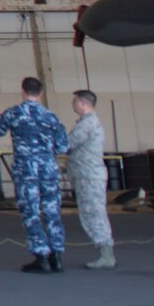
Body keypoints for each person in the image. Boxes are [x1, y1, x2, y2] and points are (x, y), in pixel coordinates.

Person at [0, 76, 69, 271]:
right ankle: (57, 256)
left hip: (26, 171)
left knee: (30, 212)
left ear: (23, 91)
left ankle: (41, 256)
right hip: (48, 170)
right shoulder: (51, 116)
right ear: (40, 93)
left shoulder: (14, 113)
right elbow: (63, 146)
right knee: (52, 211)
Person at [63, 90, 116, 270]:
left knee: (94, 214)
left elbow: (67, 144)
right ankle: (105, 252)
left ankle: (106, 255)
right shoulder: (88, 122)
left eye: (75, 101)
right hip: (86, 174)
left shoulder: (87, 124)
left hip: (89, 176)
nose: (73, 104)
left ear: (84, 103)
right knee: (92, 213)